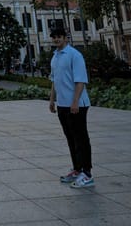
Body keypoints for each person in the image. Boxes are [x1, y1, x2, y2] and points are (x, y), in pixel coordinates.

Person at [49, 28, 94, 188]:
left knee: (81, 138)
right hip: (62, 104)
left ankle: (87, 173)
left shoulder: (75, 55)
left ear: (65, 38)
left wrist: (75, 101)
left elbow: (80, 80)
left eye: (59, 37)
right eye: (54, 37)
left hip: (77, 105)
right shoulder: (55, 57)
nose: (56, 40)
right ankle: (77, 169)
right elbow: (54, 80)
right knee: (70, 138)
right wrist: (52, 100)